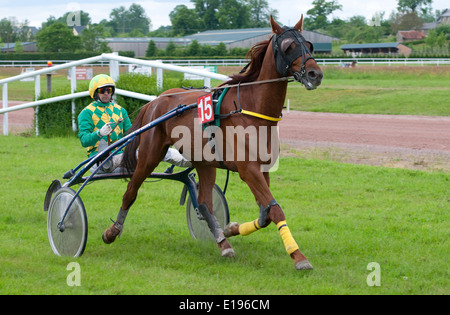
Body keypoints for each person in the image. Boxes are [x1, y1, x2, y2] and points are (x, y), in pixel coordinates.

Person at [77, 74, 191, 173]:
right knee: (150, 152)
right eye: (102, 90)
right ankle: (105, 159)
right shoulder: (86, 113)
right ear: (95, 92)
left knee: (158, 148)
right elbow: (84, 140)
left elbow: (131, 135)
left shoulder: (120, 110)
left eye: (109, 90)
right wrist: (99, 133)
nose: (106, 93)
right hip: (96, 157)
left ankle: (191, 160)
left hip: (122, 154)